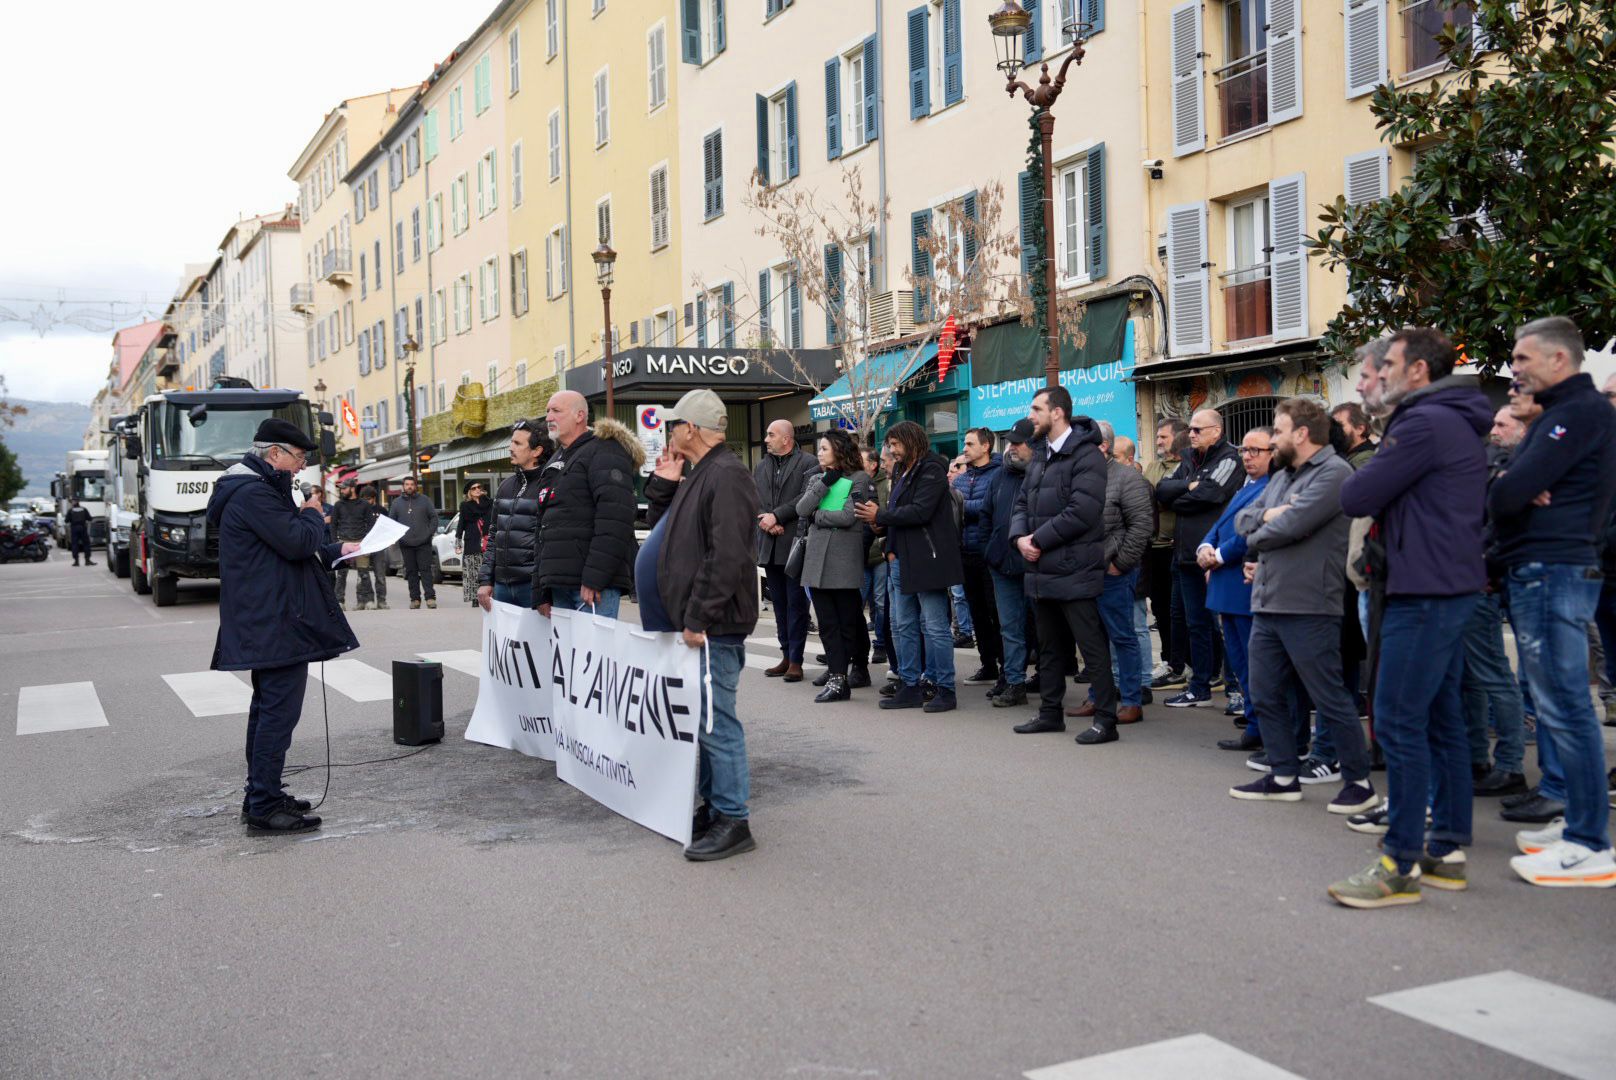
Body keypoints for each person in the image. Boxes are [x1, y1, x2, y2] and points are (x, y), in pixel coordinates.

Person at [1327, 329, 1490, 907]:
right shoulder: (1446, 417)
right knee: (1441, 718)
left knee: (1396, 719)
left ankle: (1400, 864)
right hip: (1439, 581)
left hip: (1424, 586)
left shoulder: (1423, 422)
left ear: (1418, 370)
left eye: (1389, 364)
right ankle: (1445, 849)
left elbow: (1357, 494)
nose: (1381, 372)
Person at [1488, 316, 1616, 887]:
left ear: (1559, 360)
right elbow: (1509, 489)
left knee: (1566, 706)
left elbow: (1510, 490)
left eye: (1522, 358)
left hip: (1556, 569)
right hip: (1543, 568)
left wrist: (1518, 484)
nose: (1514, 368)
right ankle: (1577, 830)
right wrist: (1515, 484)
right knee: (1558, 704)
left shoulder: (1579, 413)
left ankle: (1590, 843)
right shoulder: (1560, 415)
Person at [206, 419, 359, 834]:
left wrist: (335, 551)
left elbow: (282, 551)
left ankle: (262, 792)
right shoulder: (254, 494)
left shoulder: (255, 491)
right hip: (272, 621)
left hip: (269, 617)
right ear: (274, 454)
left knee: (267, 711)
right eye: (298, 458)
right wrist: (314, 516)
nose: (300, 467)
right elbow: (295, 541)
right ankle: (263, 804)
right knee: (277, 715)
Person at [1229, 398, 1376, 818]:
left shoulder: (1334, 473)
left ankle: (1359, 784)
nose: (1272, 440)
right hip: (1270, 601)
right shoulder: (1283, 475)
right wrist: (1270, 518)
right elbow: (1246, 521)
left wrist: (1267, 524)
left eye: (1277, 431)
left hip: (1311, 604)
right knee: (1265, 692)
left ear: (1301, 433)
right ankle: (1282, 776)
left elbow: (1286, 529)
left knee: (1330, 698)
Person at [640, 389, 760, 861]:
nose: (669, 432)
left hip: (714, 624)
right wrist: (665, 486)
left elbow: (728, 555)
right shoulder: (701, 472)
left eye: (674, 425)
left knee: (716, 722)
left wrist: (698, 616)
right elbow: (668, 534)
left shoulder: (727, 475)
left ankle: (734, 819)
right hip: (702, 621)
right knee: (706, 722)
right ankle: (715, 809)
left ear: (691, 428)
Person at [1006, 386, 1118, 745]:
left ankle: (1106, 720)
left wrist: (1037, 540)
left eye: (1037, 409)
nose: (1030, 416)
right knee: (1050, 647)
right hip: (1042, 571)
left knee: (1092, 647)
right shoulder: (1040, 455)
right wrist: (1020, 539)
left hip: (1075, 569)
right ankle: (1050, 713)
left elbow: (1082, 512)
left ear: (1057, 413)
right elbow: (1022, 504)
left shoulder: (1087, 455)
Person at [854, 420, 964, 713]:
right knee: (902, 625)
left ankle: (945, 689)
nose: (892, 451)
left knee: (934, 626)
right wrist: (881, 527)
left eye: (896, 445)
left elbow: (920, 511)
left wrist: (883, 515)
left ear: (911, 440)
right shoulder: (902, 471)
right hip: (899, 557)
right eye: (890, 446)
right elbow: (898, 515)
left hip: (929, 559)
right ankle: (910, 685)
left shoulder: (932, 469)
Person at [1458, 406, 1530, 797]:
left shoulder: (1502, 465)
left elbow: (1496, 526)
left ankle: (1509, 764)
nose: (1496, 430)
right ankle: (1476, 758)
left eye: (1505, 424)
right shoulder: (1480, 462)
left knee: (1492, 676)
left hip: (1479, 582)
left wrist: (1484, 566)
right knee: (1471, 679)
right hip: (1465, 580)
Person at [1156, 410, 1243, 706]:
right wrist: (1187, 487)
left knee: (1223, 625)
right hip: (1184, 555)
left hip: (1213, 557)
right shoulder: (1189, 460)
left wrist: (1183, 495)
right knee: (1196, 625)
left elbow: (1210, 494)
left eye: (1196, 430)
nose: (1190, 435)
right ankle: (1200, 688)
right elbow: (1162, 490)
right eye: (1190, 430)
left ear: (1216, 431)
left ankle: (1235, 689)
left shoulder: (1230, 459)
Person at [1070, 420, 1152, 725]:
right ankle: (1098, 697)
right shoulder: (1080, 476)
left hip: (1112, 572)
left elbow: (1142, 527)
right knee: (1093, 640)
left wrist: (1120, 564)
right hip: (1084, 571)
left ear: (1102, 446)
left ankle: (1131, 700)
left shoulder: (1127, 478)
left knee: (1122, 636)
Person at [536, 389, 642, 618]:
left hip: (592, 588)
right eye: (547, 412)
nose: (548, 418)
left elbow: (615, 519)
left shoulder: (605, 451)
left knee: (594, 652)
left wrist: (596, 577)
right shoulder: (557, 459)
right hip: (559, 584)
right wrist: (541, 589)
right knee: (564, 654)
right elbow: (543, 525)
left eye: (556, 411)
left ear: (580, 415)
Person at [1200, 426, 1273, 754]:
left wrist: (1218, 554)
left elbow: (1251, 530)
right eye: (1244, 450)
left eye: (1255, 451)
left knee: (1256, 665)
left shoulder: (1272, 487)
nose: (1247, 456)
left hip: (1243, 584)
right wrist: (1205, 544)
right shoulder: (1249, 484)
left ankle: (1266, 730)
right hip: (1226, 585)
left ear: (1274, 452)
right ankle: (1256, 724)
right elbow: (1222, 522)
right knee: (1241, 663)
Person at [795, 431, 876, 702]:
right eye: (819, 448)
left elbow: (848, 517)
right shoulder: (817, 478)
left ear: (839, 450)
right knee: (827, 624)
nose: (820, 453)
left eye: (825, 448)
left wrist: (819, 515)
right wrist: (824, 485)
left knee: (847, 622)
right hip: (816, 561)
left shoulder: (860, 478)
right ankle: (836, 677)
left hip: (842, 561)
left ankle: (852, 672)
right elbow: (802, 509)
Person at [753, 419, 816, 682]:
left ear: (786, 439)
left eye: (771, 435)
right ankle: (785, 654)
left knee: (796, 604)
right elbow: (755, 498)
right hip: (770, 542)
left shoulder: (808, 463)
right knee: (778, 603)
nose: (766, 439)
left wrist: (777, 517)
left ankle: (797, 660)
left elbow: (804, 498)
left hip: (795, 544)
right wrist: (766, 521)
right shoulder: (761, 466)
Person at [476, 420, 556, 611]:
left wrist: (543, 590)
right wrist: (486, 579)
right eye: (511, 442)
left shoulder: (550, 484)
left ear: (536, 451)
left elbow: (549, 541)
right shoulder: (506, 486)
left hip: (532, 587)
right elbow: (494, 536)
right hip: (502, 587)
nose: (510, 448)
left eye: (518, 444)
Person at [982, 419, 1035, 707]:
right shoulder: (1000, 477)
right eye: (1010, 442)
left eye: (1018, 442)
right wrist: (990, 551)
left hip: (1036, 564)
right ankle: (1014, 681)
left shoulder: (1044, 474)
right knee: (1010, 626)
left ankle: (1044, 681)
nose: (1012, 447)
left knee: (1042, 628)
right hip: (1002, 564)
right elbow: (988, 517)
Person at [953, 428, 1004, 686]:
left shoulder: (999, 474)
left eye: (970, 443)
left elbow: (990, 507)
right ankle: (987, 665)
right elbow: (953, 506)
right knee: (977, 614)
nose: (965, 448)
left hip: (990, 555)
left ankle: (1007, 668)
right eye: (964, 443)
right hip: (966, 553)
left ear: (985, 447)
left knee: (997, 613)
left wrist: (964, 507)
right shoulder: (962, 478)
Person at [1145, 420, 1188, 689]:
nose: (1159, 441)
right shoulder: (1152, 467)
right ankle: (1169, 661)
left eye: (1163, 437)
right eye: (1157, 436)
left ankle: (1186, 663)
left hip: (1177, 547)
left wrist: (1164, 498)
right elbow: (1148, 498)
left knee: (1183, 612)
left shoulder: (1187, 466)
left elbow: (1171, 498)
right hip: (1154, 548)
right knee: (1161, 609)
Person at [330, 480, 384, 610]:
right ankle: (339, 601)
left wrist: (367, 543)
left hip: (361, 542)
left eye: (344, 488)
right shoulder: (338, 505)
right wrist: (334, 544)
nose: (342, 491)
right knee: (341, 575)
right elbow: (333, 525)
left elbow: (371, 524)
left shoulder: (364, 505)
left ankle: (367, 601)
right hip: (343, 542)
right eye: (341, 489)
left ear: (352, 489)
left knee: (363, 573)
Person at [387, 475, 440, 609]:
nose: (409, 486)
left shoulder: (425, 500)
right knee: (411, 572)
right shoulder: (396, 503)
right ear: (403, 487)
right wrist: (397, 537)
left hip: (424, 543)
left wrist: (429, 533)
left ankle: (430, 598)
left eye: (412, 484)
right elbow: (391, 522)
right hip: (406, 543)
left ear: (415, 486)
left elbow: (434, 518)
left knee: (426, 571)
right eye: (407, 484)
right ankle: (415, 599)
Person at [860, 445, 891, 666]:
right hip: (860, 553)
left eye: (862, 462)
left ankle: (881, 646)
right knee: (856, 602)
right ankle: (855, 648)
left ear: (873, 464)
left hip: (879, 554)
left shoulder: (885, 484)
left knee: (881, 603)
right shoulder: (855, 482)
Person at [456, 481, 492, 606]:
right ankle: (475, 598)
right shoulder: (465, 506)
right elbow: (461, 524)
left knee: (487, 568)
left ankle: (489, 594)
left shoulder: (489, 503)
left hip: (488, 539)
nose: (477, 489)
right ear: (469, 492)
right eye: (474, 488)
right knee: (473, 569)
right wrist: (458, 540)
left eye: (479, 487)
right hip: (472, 540)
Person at [1332, 403, 1377, 469]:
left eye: (1340, 425)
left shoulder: (1366, 459)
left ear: (1359, 429)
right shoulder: (1345, 452)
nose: (1334, 430)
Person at [65, 498, 94, 566]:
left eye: (72, 501)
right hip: (83, 527)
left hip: (74, 528)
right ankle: (87, 560)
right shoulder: (84, 509)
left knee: (75, 544)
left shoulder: (70, 511)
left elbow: (66, 520)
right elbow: (89, 518)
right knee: (86, 544)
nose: (72, 502)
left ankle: (76, 561)